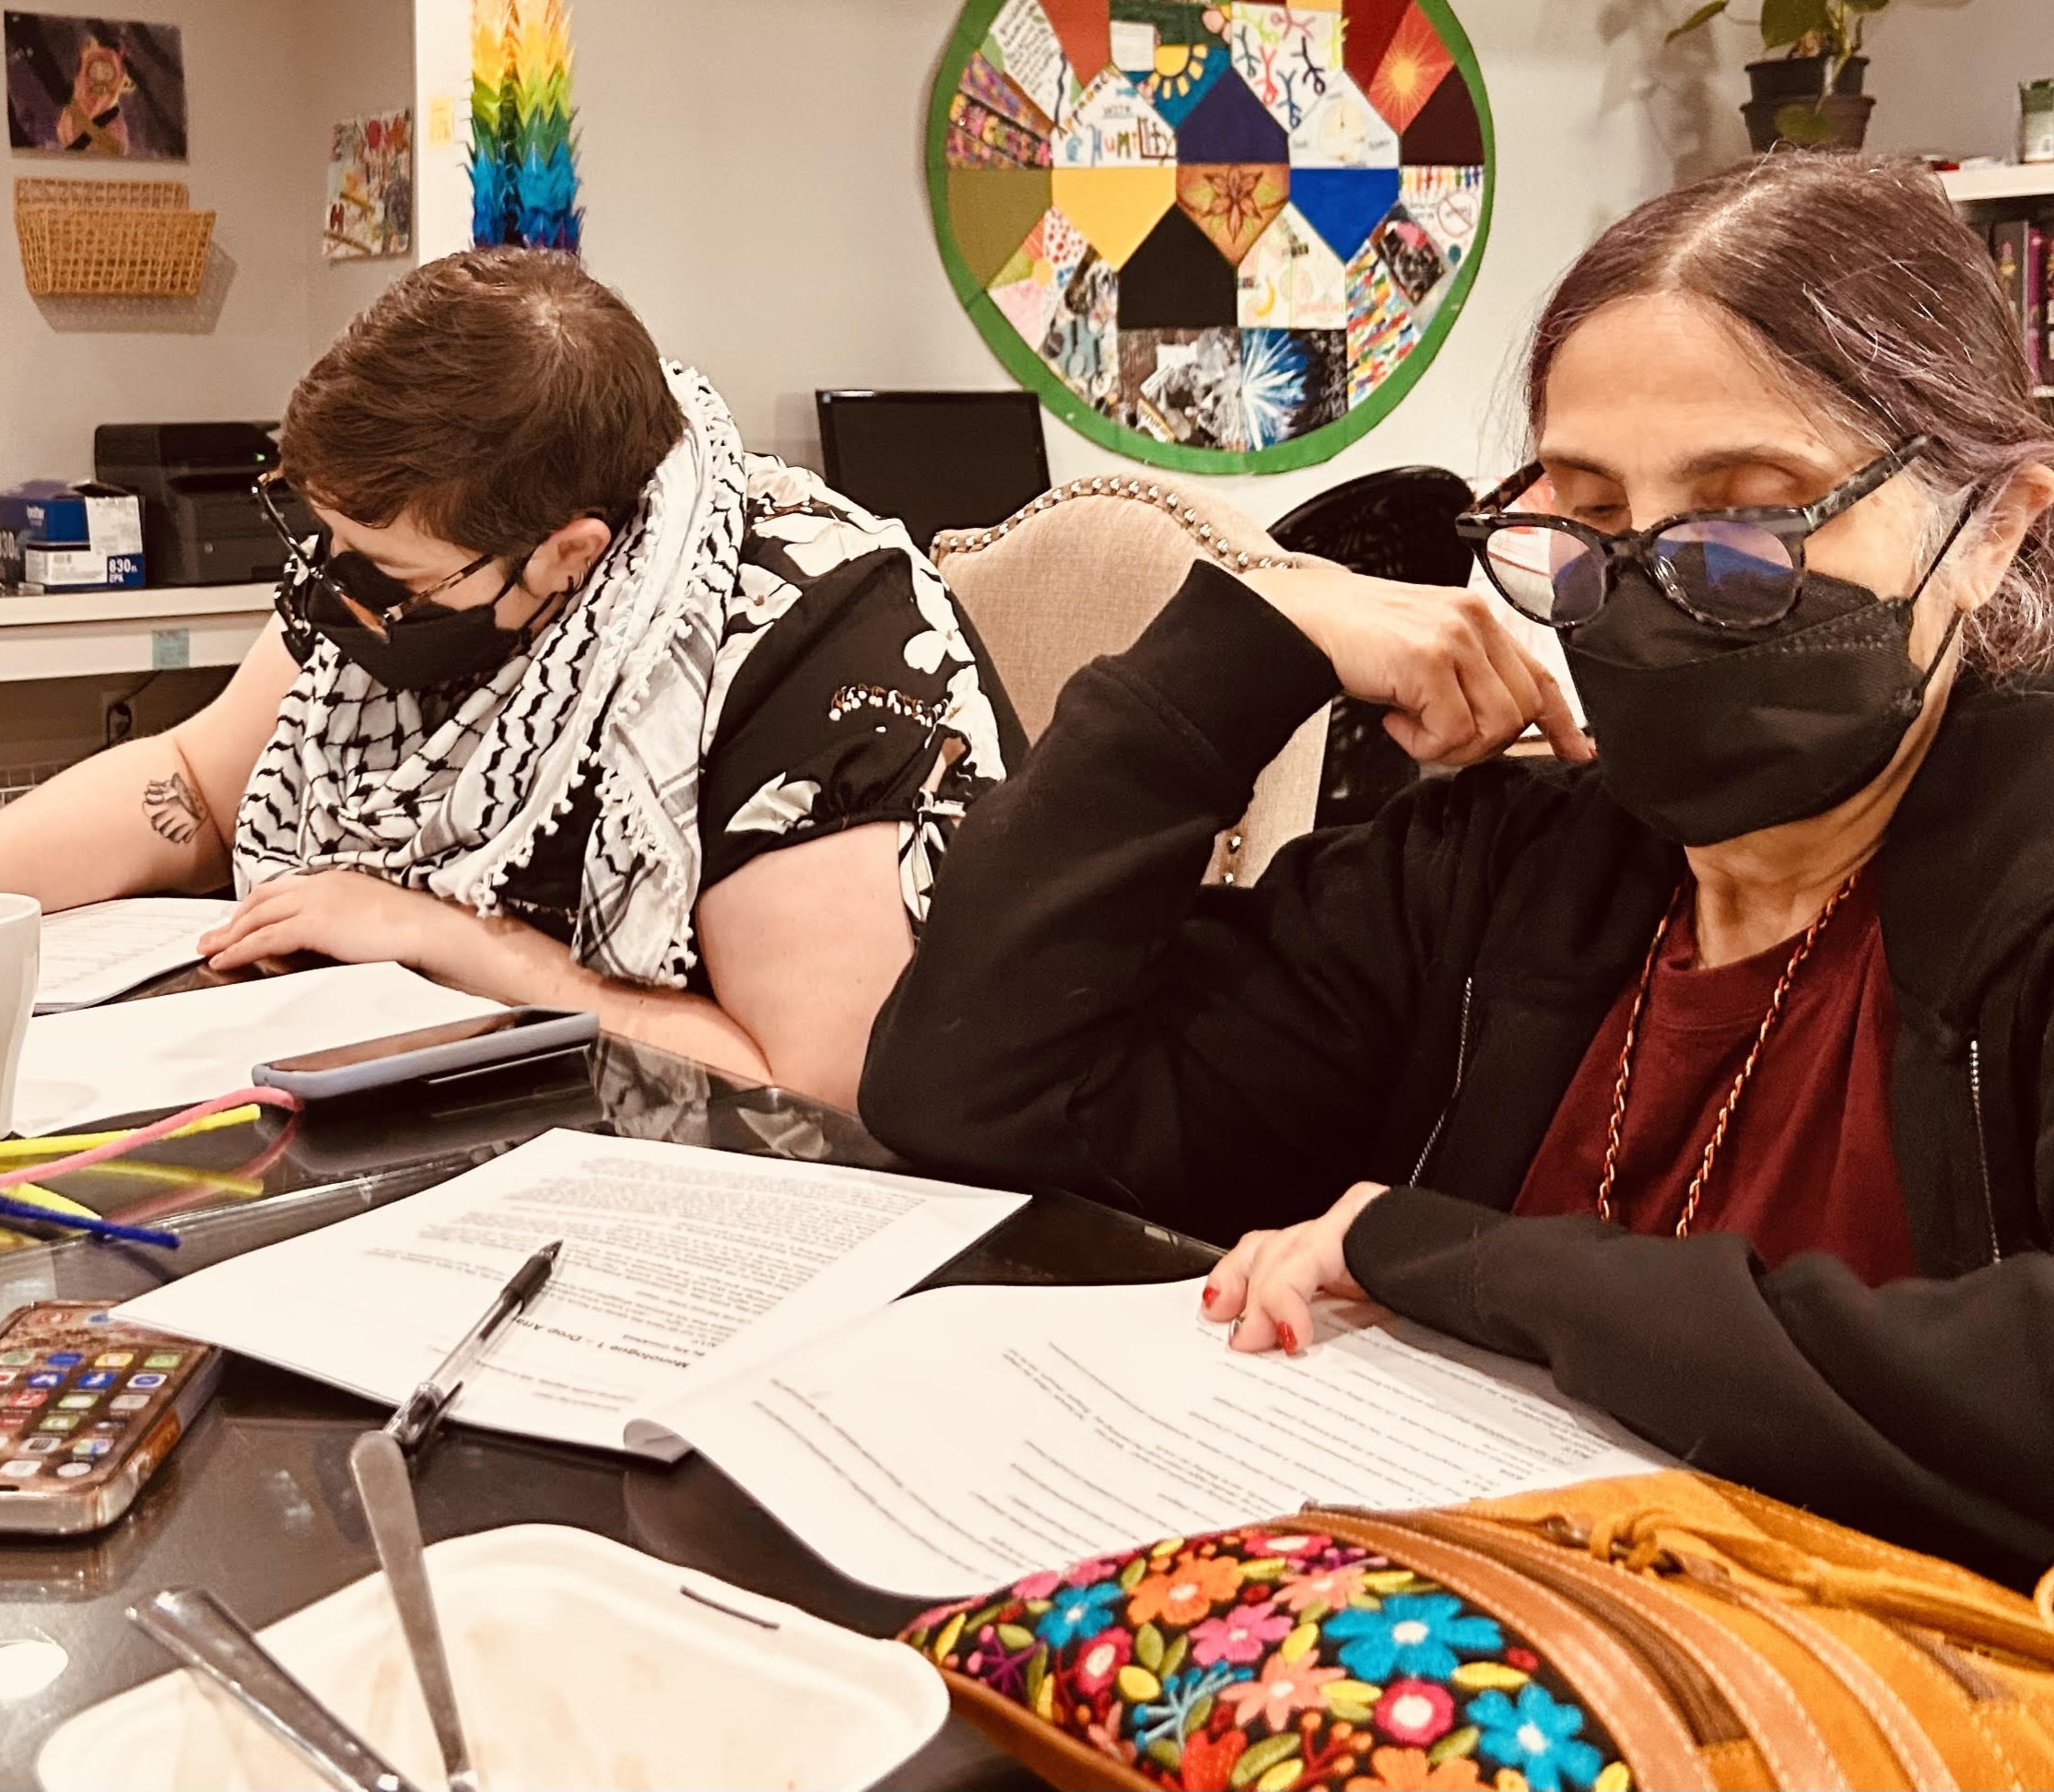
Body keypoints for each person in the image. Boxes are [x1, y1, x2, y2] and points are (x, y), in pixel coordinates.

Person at [861, 155, 2054, 1590]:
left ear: (1990, 529)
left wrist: (1458, 1261)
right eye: (1586, 525)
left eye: (1744, 524)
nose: (1648, 598)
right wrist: (1243, 647)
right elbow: (975, 1094)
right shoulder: (1488, 872)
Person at [0, 249, 1020, 1110]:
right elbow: (191, 782)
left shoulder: (810, 635)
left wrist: (446, 937)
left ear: (567, 555)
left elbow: (808, 1087)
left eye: (387, 573)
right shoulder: (413, 575)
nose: (334, 593)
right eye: (325, 541)